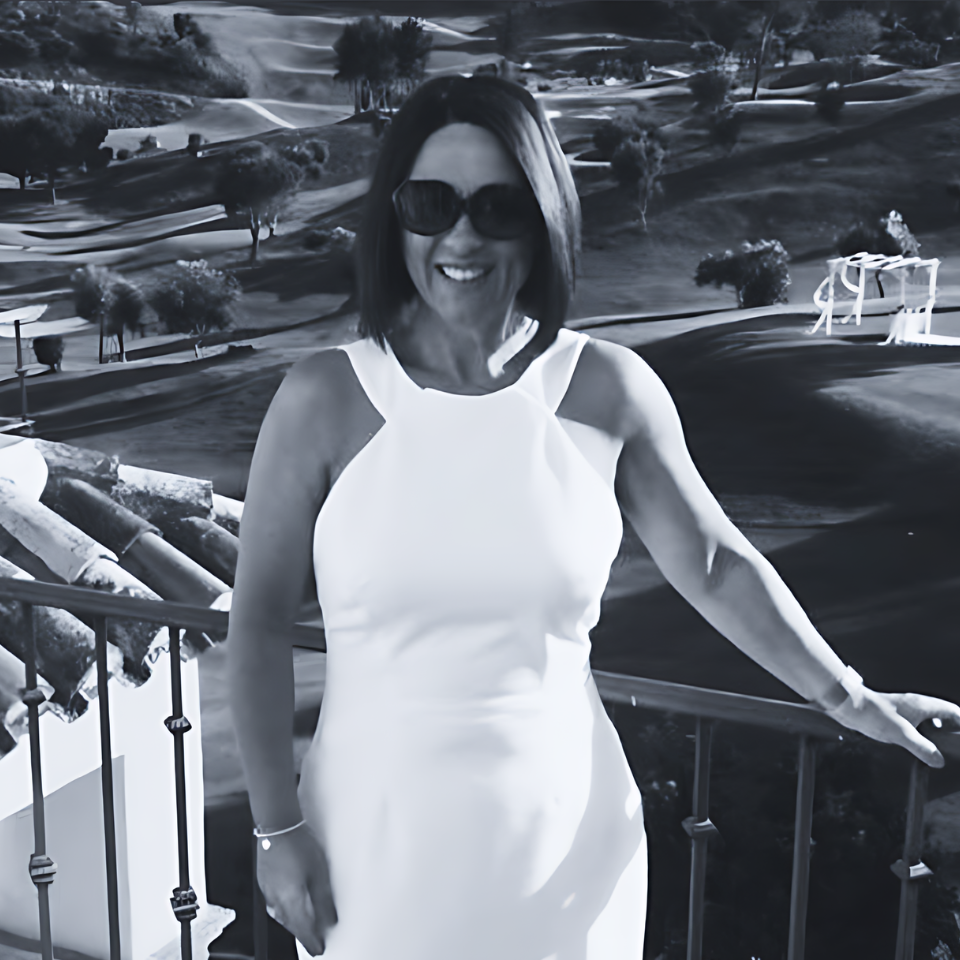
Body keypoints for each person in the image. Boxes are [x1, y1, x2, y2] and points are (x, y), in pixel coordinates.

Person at [226, 75, 960, 959]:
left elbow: (716, 564)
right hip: (373, 846)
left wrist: (847, 695)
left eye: (497, 207)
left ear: (542, 219)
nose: (460, 235)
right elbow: (260, 621)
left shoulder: (608, 389)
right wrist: (275, 831)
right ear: (396, 218)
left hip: (568, 841)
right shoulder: (323, 398)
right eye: (430, 203)